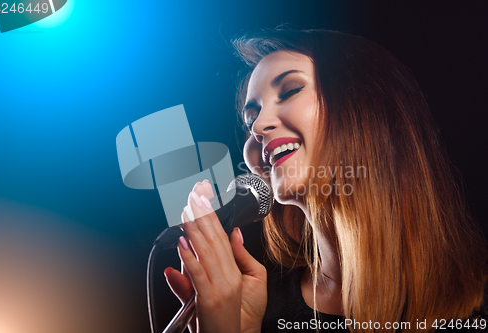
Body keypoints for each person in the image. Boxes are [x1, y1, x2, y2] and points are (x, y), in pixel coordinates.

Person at [163, 28, 488, 333]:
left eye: (289, 90)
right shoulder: (257, 306)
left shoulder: (476, 305)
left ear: (366, 109)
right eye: (250, 120)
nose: (258, 127)